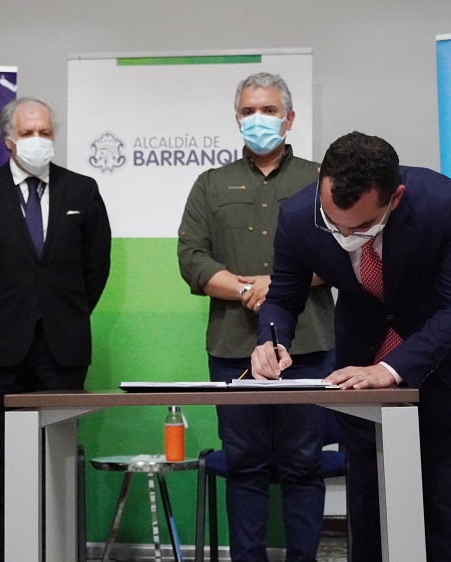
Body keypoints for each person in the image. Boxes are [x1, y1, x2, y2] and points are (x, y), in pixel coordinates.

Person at [251, 131, 451, 562]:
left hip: (444, 368)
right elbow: (282, 297)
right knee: (367, 507)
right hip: (357, 377)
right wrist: (272, 340)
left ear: (395, 197)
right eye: (334, 223)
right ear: (323, 181)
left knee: (444, 503)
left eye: (362, 227)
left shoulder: (444, 204)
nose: (346, 235)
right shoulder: (296, 215)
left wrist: (392, 368)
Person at [177, 72, 335, 562]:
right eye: (248, 111)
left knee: (303, 466)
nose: (257, 119)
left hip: (306, 344)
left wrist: (280, 285)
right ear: (237, 118)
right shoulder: (211, 183)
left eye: (268, 110)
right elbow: (192, 258)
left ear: (289, 119)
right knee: (244, 467)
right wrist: (248, 288)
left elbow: (339, 249)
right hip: (232, 347)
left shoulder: (318, 179)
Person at [0, 97, 112, 561]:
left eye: (45, 132)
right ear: (8, 140)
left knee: (58, 467)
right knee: (3, 471)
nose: (38, 140)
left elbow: (95, 268)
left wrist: (64, 313)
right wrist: (1, 317)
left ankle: (59, 552)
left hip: (61, 351)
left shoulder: (81, 191)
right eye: (28, 133)